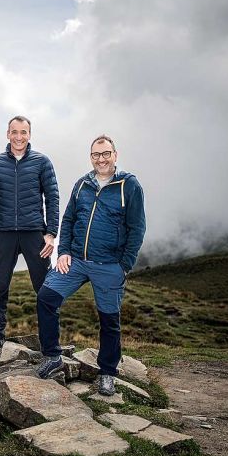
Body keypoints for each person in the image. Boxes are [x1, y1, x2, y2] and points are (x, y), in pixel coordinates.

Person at [34, 135, 146, 395]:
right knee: (46, 297)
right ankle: (52, 357)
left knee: (109, 319)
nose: (101, 159)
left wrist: (124, 266)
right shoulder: (82, 184)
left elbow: (137, 227)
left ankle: (107, 372)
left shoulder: (129, 186)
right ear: (91, 157)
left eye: (106, 153)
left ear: (115, 155)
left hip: (109, 265)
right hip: (75, 261)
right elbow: (70, 218)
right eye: (96, 154)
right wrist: (63, 252)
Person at [0, 116, 60, 364]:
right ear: (7, 134)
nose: (19, 137)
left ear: (29, 134)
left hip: (35, 233)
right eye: (14, 132)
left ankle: (51, 348)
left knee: (45, 290)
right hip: (3, 234)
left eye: (23, 132)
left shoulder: (42, 162)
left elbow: (52, 198)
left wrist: (51, 233)